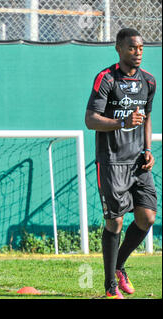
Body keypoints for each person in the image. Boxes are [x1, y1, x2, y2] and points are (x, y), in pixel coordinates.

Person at [85, 28, 157, 299]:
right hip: (112, 161)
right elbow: (90, 119)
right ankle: (110, 288)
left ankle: (119, 265)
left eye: (140, 48)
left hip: (138, 161)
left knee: (147, 217)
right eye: (131, 48)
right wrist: (121, 122)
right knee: (114, 223)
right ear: (118, 48)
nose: (137, 52)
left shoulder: (148, 81)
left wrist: (148, 149)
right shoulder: (106, 79)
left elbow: (147, 116)